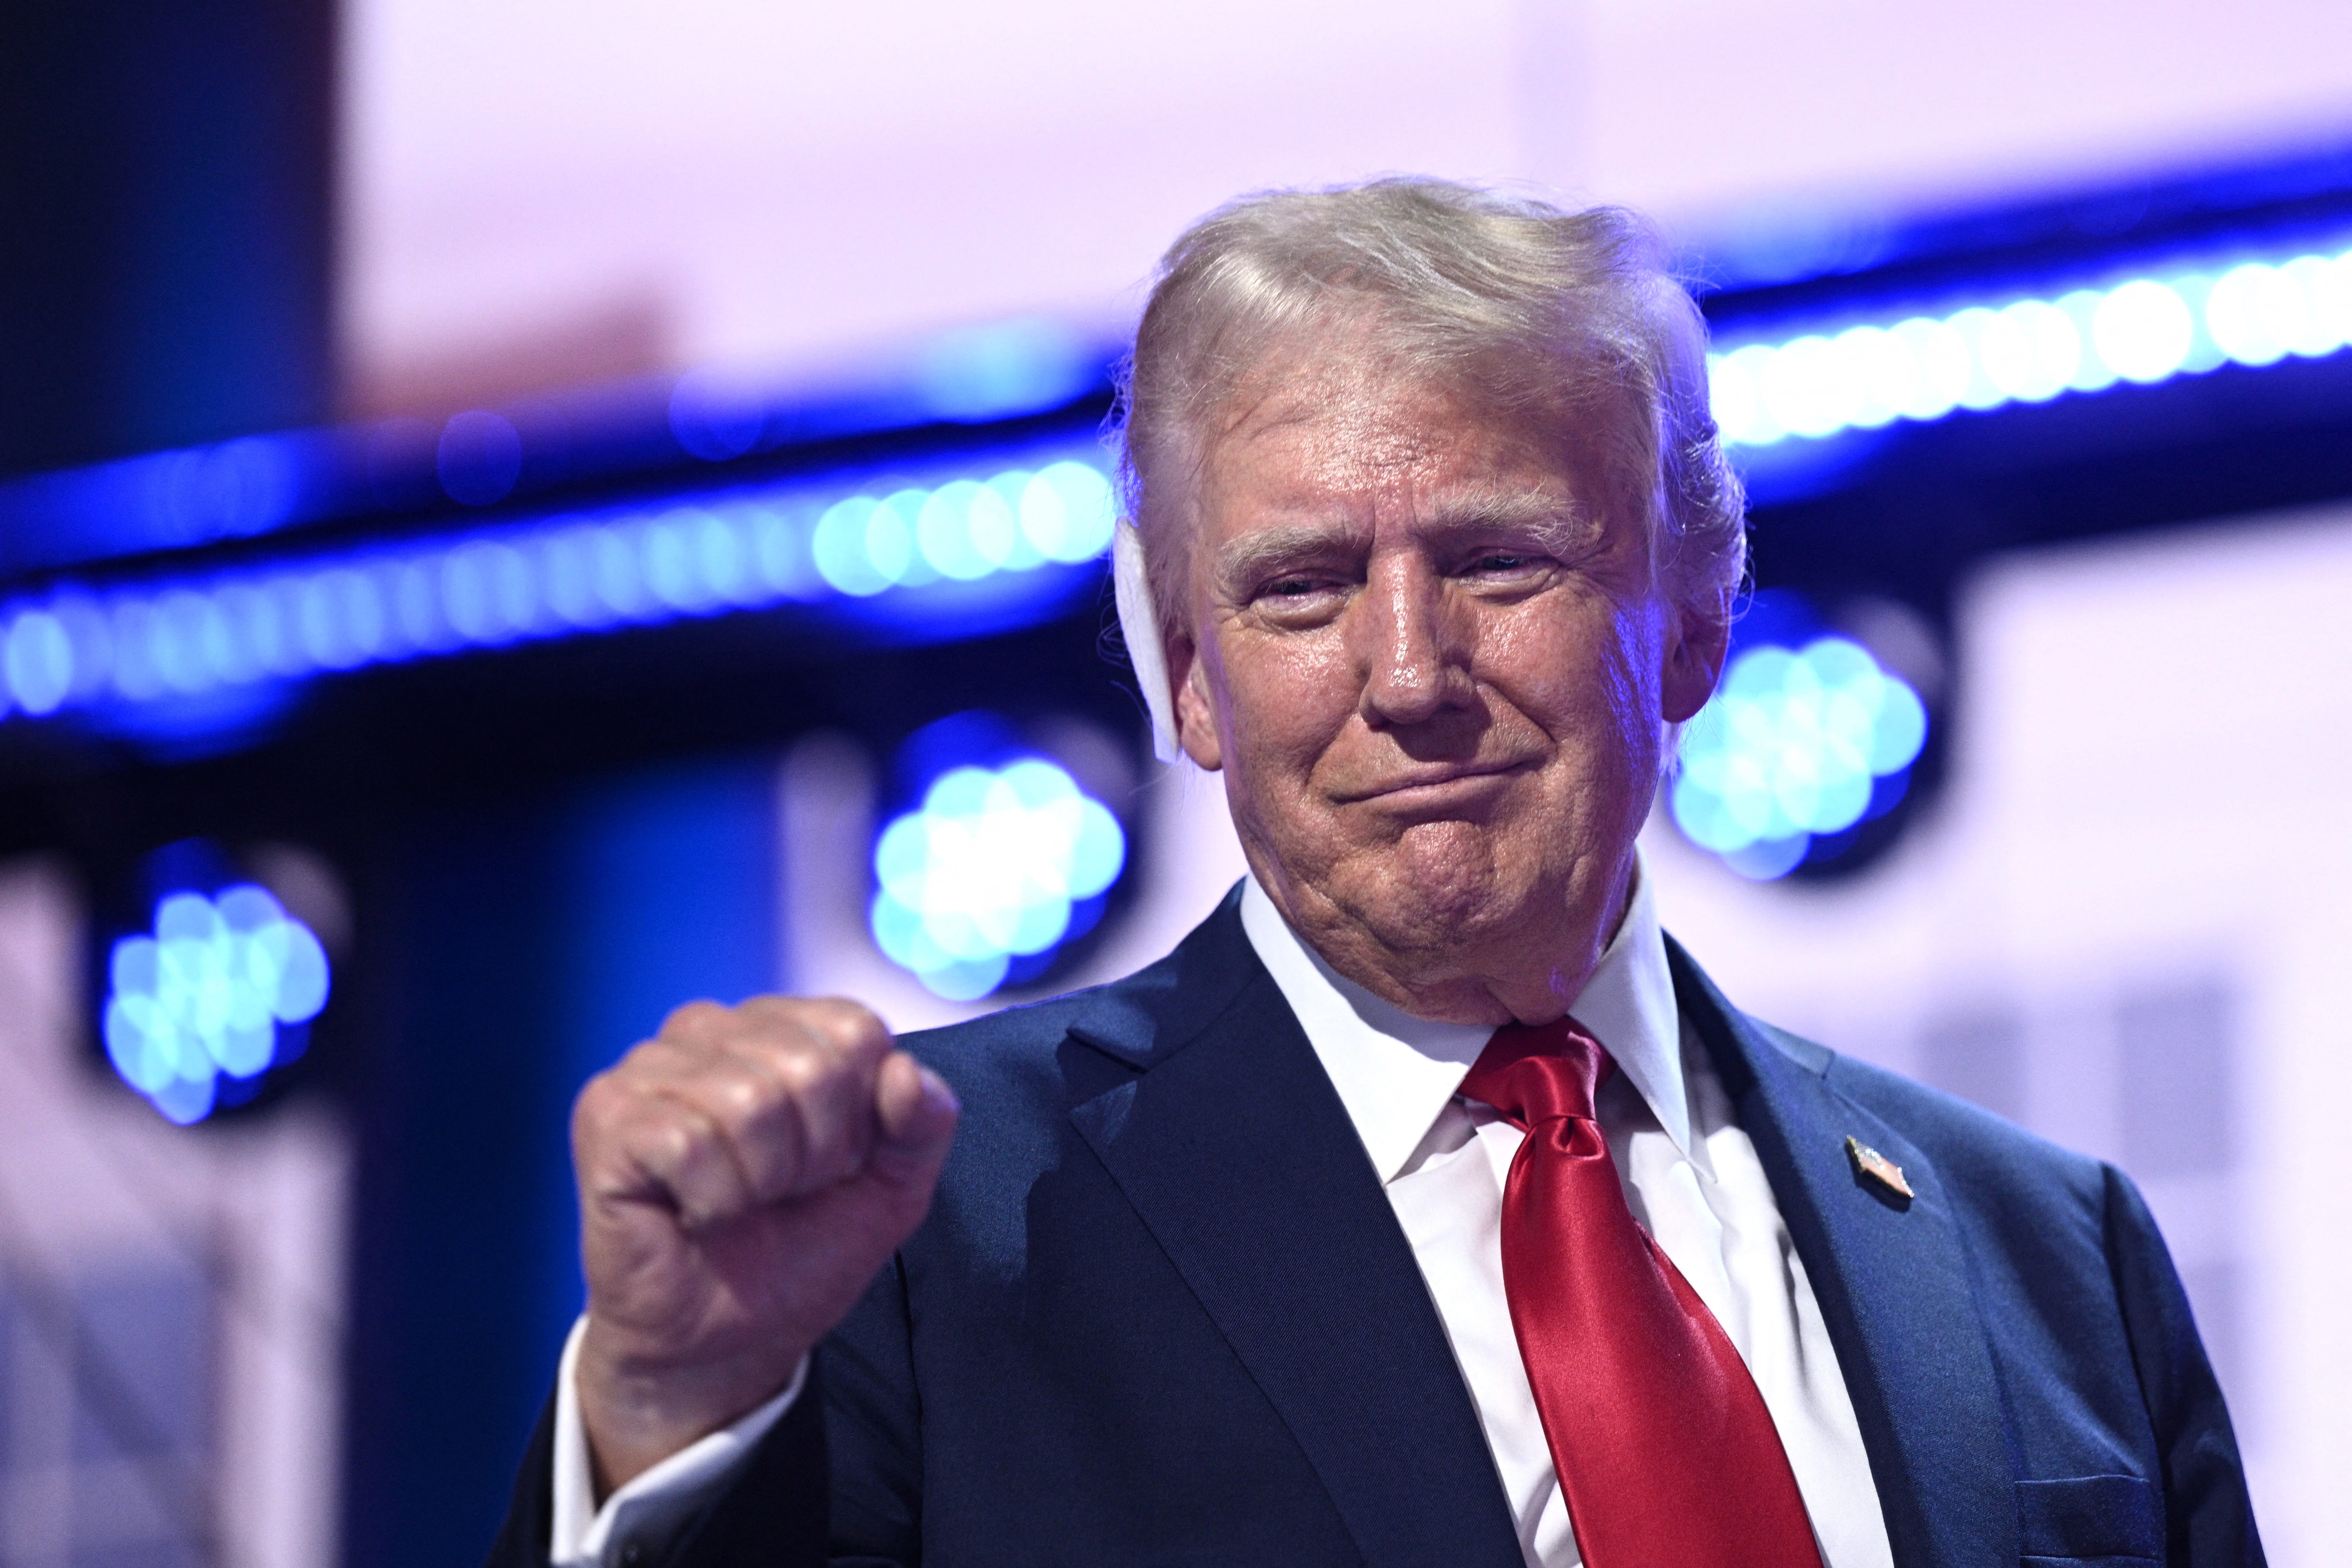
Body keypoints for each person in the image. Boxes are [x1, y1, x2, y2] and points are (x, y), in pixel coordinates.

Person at [489, 178, 2260, 1568]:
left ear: (1701, 609)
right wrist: (663, 1407)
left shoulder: (2051, 1257)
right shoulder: (918, 1229)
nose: (1408, 676)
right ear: (1187, 673)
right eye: (1301, 590)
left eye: (1498, 561)